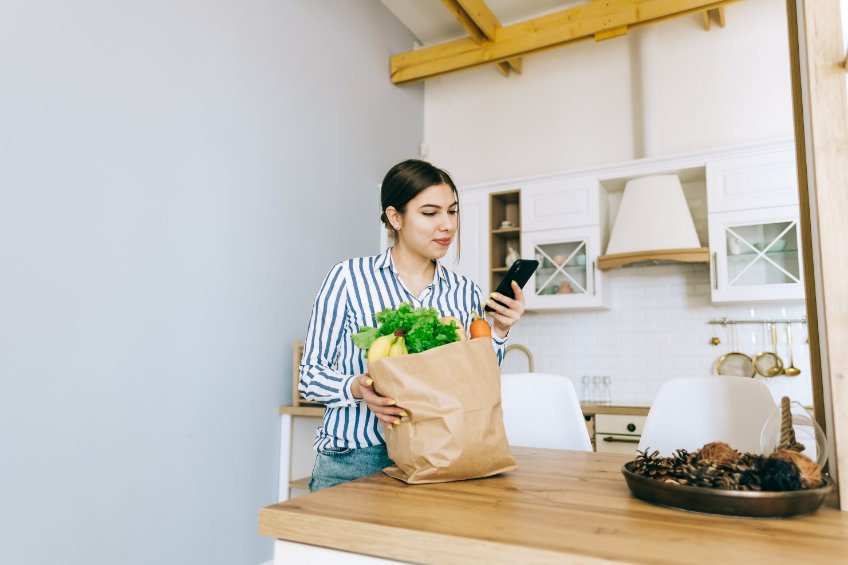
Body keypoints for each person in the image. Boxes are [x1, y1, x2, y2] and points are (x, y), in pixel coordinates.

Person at [299, 159, 526, 492]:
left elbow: (475, 378)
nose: (447, 225)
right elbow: (310, 377)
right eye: (430, 213)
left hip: (439, 454)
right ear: (395, 217)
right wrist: (357, 387)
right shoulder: (348, 278)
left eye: (453, 211)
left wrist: (500, 332)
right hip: (356, 458)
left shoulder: (464, 292)